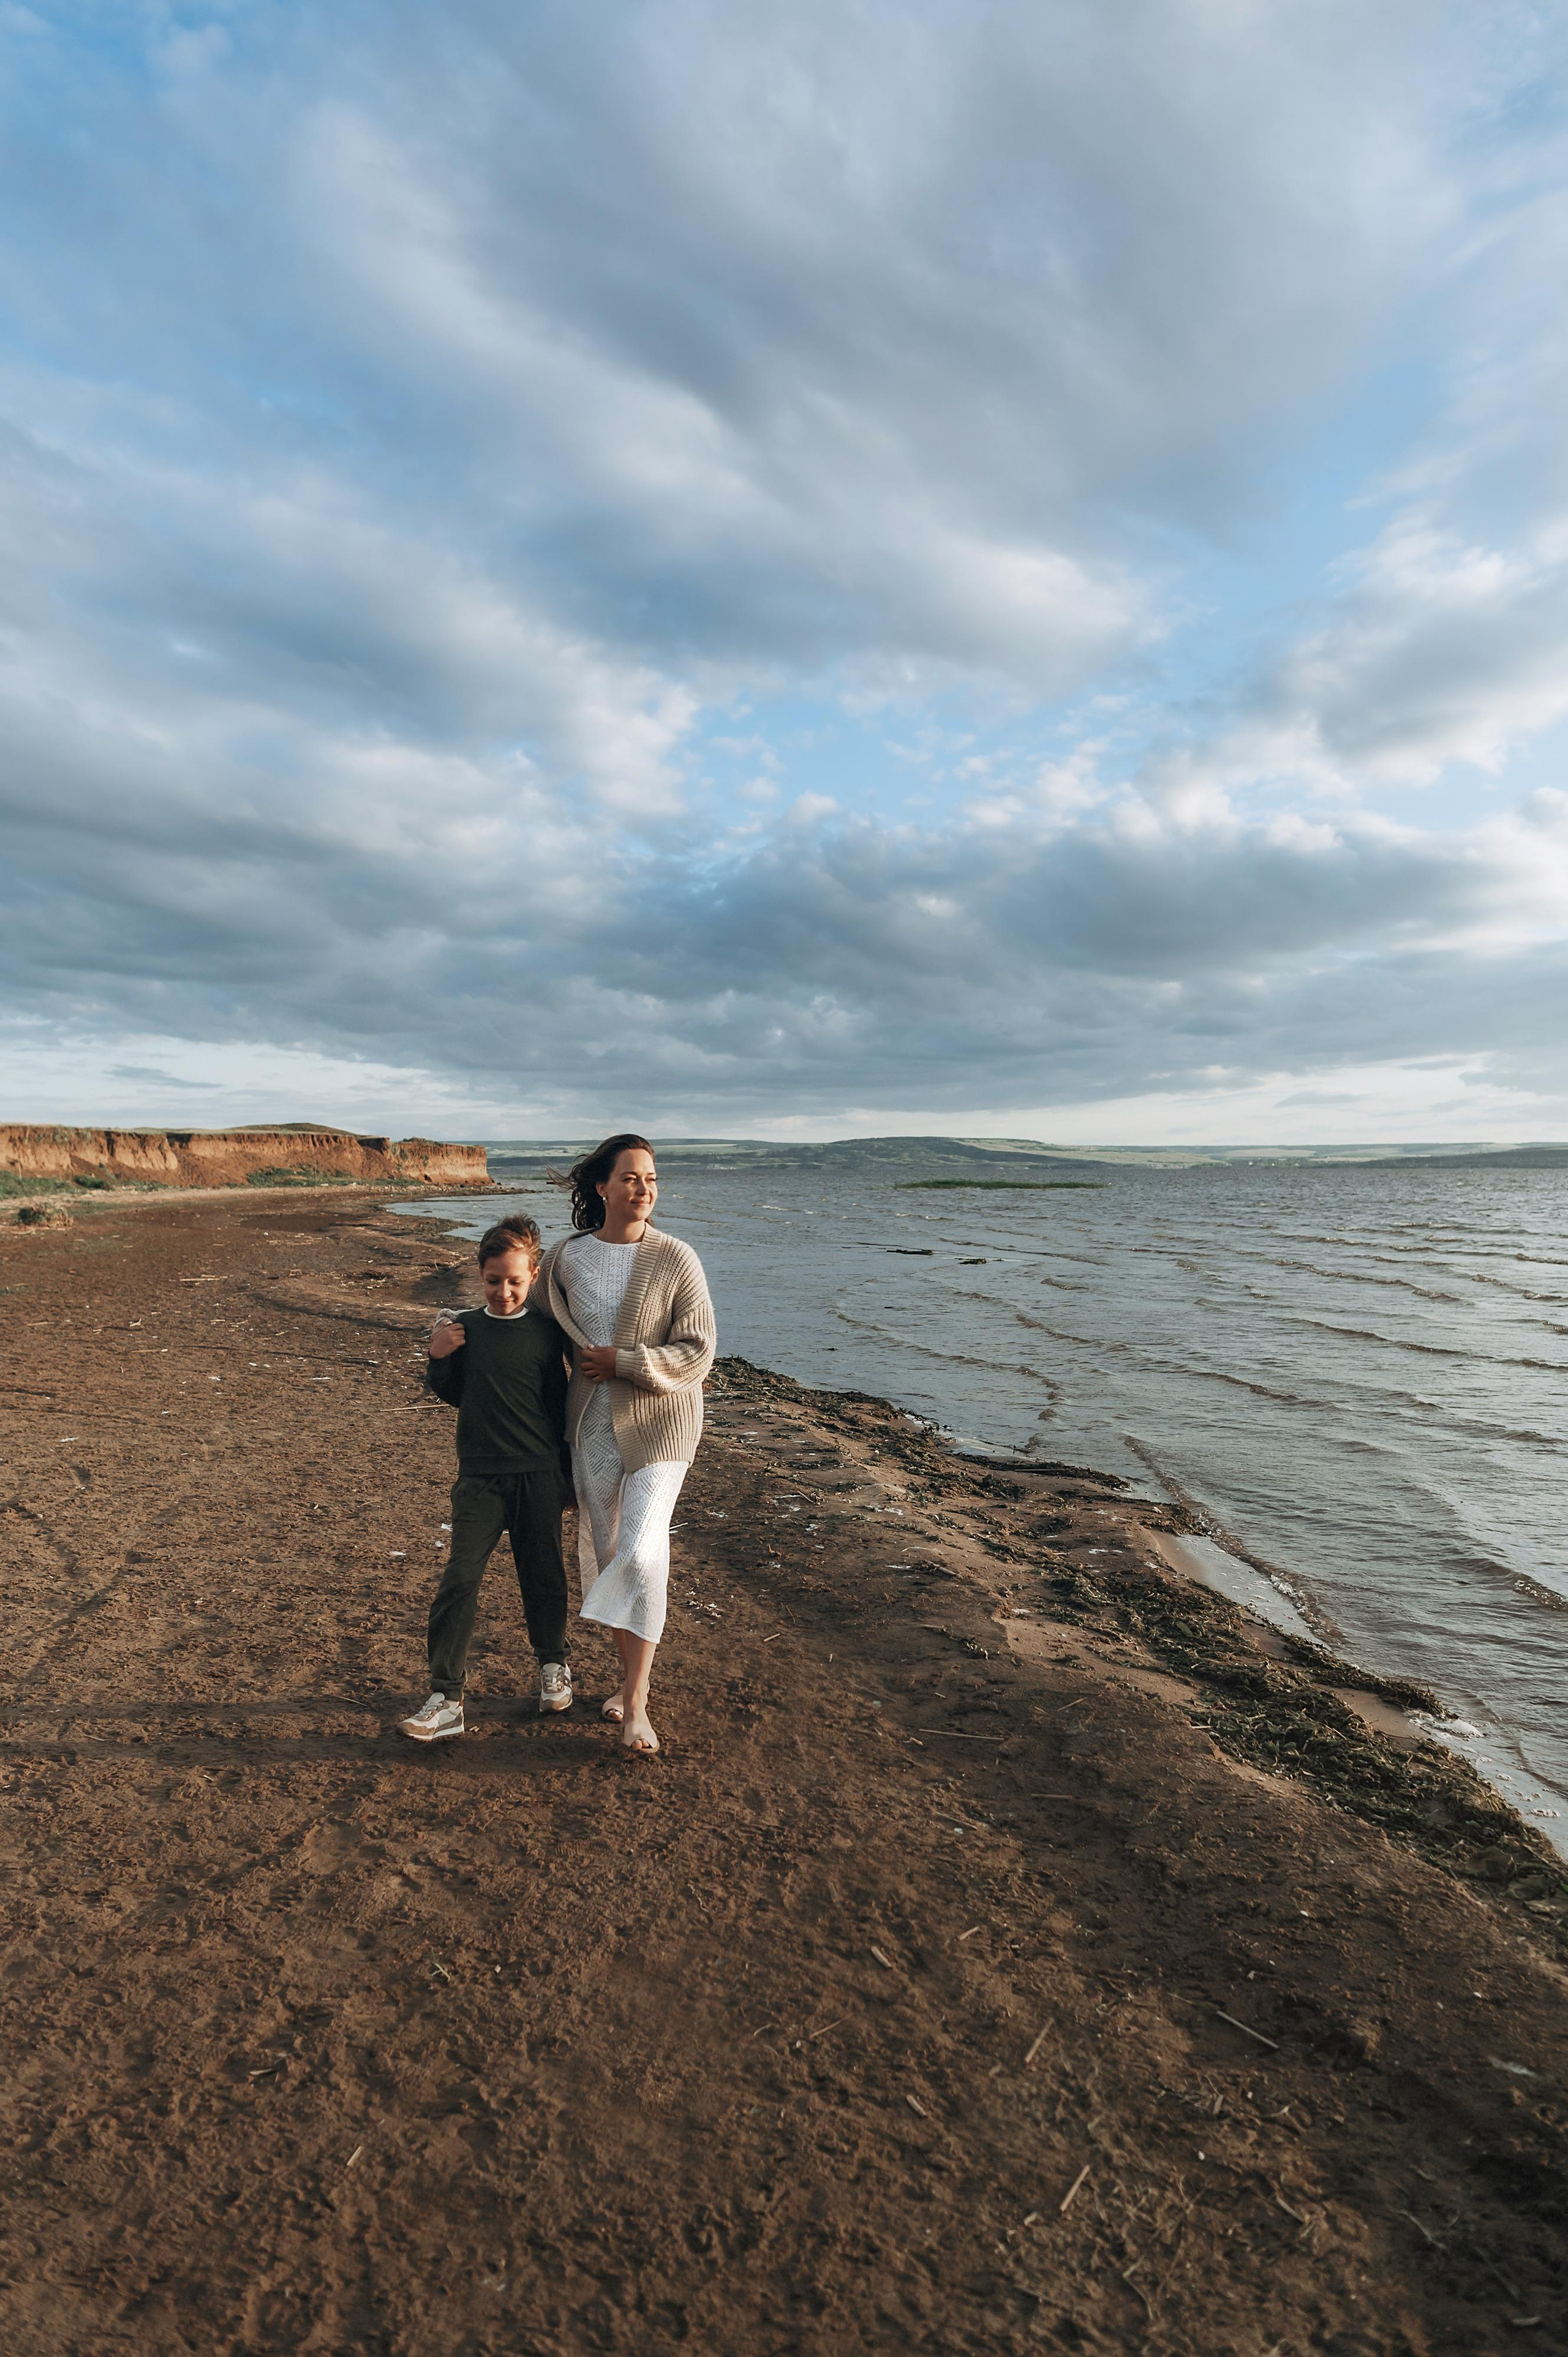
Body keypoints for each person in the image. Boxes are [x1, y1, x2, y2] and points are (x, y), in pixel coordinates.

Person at [533, 1133, 716, 1755]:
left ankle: (636, 1705)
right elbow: (528, 1329)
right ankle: (628, 1683)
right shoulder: (565, 1259)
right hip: (590, 1429)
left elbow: (698, 1350)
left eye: (652, 1179)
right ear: (601, 1187)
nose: (644, 1189)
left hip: (662, 1424)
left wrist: (626, 1361)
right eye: (632, 1177)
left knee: (641, 1553)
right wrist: (459, 1338)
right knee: (609, 1554)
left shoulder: (676, 1257)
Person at [398, 1215, 574, 1743]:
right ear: (480, 1273)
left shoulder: (547, 1333)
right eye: (494, 1280)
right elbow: (456, 1394)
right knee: (459, 1580)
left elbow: (558, 1407)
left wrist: (566, 1480)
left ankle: (553, 1666)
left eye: (515, 1281)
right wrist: (437, 1356)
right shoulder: (463, 1330)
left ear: (534, 1276)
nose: (504, 1291)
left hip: (539, 1473)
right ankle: (445, 1697)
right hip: (479, 1478)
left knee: (543, 1573)